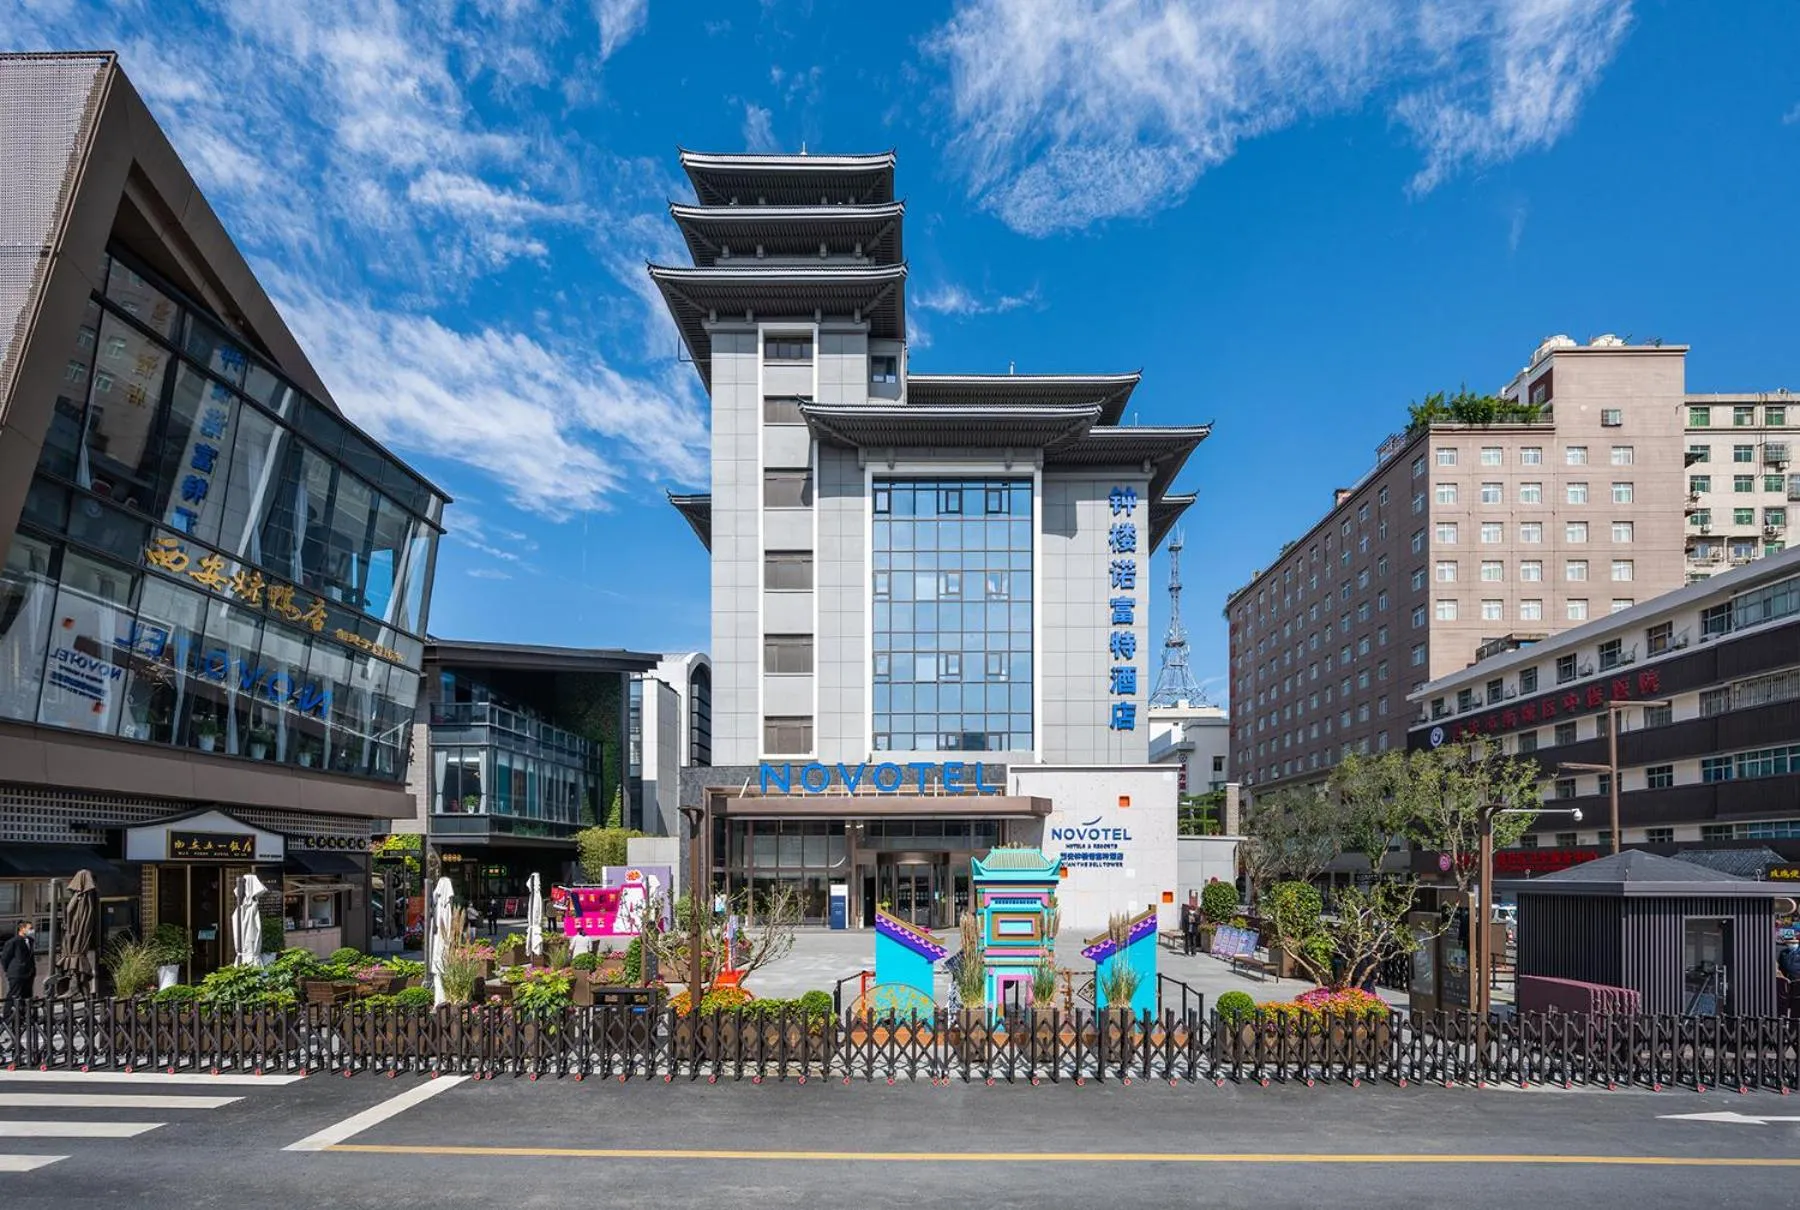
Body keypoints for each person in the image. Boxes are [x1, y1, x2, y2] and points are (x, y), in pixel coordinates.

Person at [2, 921, 37, 1005]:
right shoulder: (13, 942)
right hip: (17, 973)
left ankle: (23, 1015)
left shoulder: (30, 941)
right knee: (14, 995)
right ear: (22, 929)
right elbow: (5, 958)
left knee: (26, 996)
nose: (32, 931)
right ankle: (8, 1016)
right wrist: (9, 970)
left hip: (29, 973)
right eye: (30, 928)